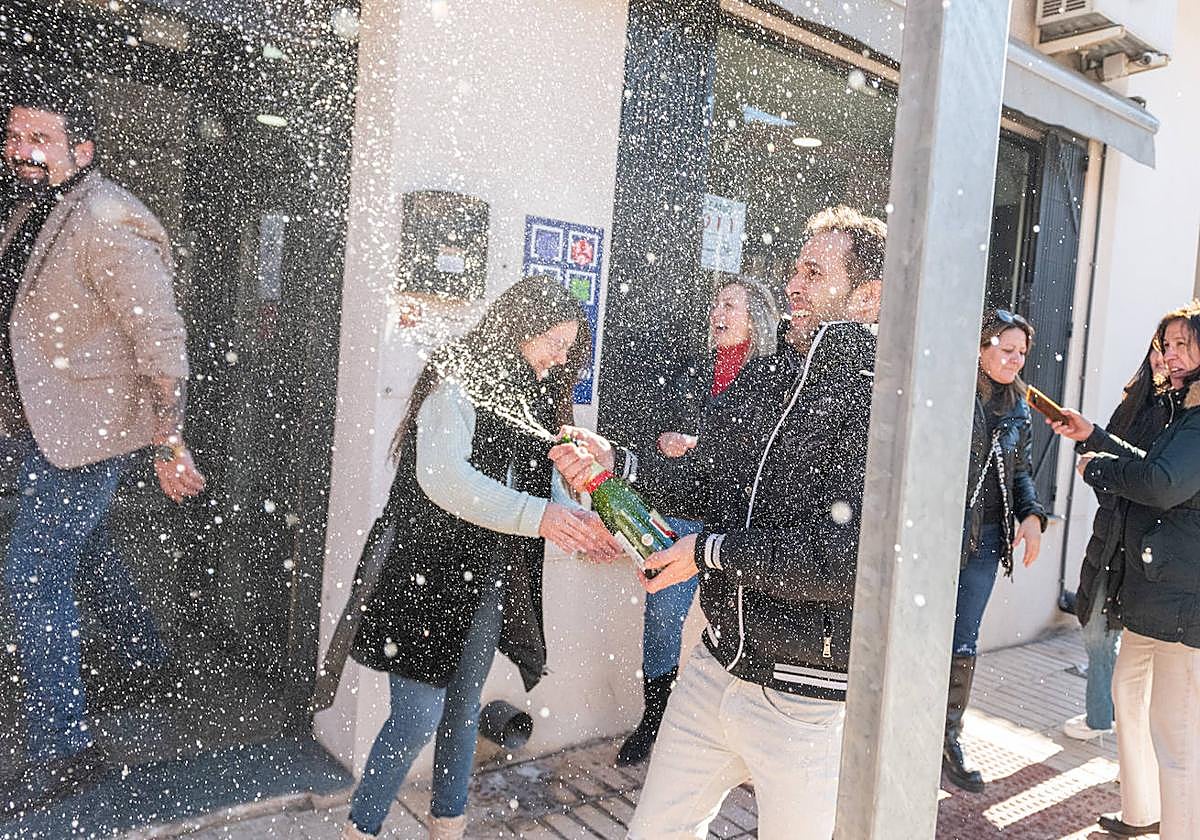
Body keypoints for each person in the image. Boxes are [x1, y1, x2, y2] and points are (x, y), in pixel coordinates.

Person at [552, 206, 887, 839]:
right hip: (713, 667)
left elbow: (846, 560)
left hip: (806, 699)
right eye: (795, 269)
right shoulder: (776, 374)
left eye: (815, 274)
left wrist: (708, 553)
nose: (792, 285)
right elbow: (709, 477)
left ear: (867, 297)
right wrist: (619, 462)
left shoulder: (878, 400)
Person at [341, 275, 621, 840]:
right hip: (424, 573)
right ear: (520, 326)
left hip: (488, 578)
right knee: (415, 719)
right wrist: (541, 517)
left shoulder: (533, 396)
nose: (559, 357)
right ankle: (361, 829)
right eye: (554, 342)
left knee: (464, 710)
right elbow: (444, 477)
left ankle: (448, 824)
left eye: (568, 348)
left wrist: (584, 523)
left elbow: (543, 481)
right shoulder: (459, 377)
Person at [0, 72, 205, 809]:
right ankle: (148, 659)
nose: (23, 150)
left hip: (85, 429)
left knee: (31, 572)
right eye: (14, 136)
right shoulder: (35, 207)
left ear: (81, 150)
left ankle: (65, 748)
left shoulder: (108, 218)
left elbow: (161, 338)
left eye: (41, 138)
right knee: (80, 548)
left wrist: (168, 439)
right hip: (33, 422)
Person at [1048, 301, 1200, 839]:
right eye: (1167, 344)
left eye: (1184, 344)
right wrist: (1093, 436)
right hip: (1153, 592)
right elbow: (1147, 462)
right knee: (1132, 698)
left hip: (1181, 602)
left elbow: (1161, 483)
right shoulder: (1178, 408)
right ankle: (1142, 813)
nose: (1171, 354)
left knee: (1177, 743)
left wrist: (1100, 469)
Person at [616, 276, 779, 767]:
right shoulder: (693, 370)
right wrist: (666, 443)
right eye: (715, 304)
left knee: (741, 626)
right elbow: (659, 431)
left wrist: (702, 447)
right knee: (661, 622)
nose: (718, 313)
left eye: (730, 305)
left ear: (755, 319)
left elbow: (760, 453)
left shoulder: (772, 377)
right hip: (679, 518)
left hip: (735, 530)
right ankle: (654, 721)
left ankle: (738, 737)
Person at [942, 309, 1047, 794]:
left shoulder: (1018, 406)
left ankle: (948, 737)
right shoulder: (951, 391)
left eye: (1021, 352)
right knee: (919, 631)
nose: (1015, 359)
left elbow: (1021, 471)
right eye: (1006, 349)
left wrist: (1032, 516)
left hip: (985, 541)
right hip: (937, 536)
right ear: (981, 347)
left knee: (963, 640)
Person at [1062, 343, 1169, 743]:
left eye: (1177, 348)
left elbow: (1152, 478)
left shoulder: (1182, 416)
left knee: (1134, 647)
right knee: (1096, 627)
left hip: (1147, 545)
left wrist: (1107, 469)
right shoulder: (1133, 402)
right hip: (1110, 533)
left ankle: (1108, 721)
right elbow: (1107, 456)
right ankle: (1102, 716)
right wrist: (1095, 465)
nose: (1163, 358)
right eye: (1159, 348)